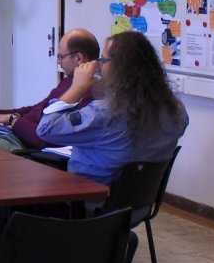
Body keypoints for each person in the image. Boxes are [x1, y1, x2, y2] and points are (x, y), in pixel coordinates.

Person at [36, 30, 188, 186]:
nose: (99, 66)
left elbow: (46, 128)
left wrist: (77, 88)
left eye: (102, 60)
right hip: (140, 199)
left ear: (119, 68)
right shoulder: (176, 110)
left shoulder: (104, 114)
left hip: (88, 196)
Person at [0, 28, 100, 151]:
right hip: (13, 130)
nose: (58, 62)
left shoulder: (87, 94)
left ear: (79, 58)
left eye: (61, 57)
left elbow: (44, 137)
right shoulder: (68, 81)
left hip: (23, 143)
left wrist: (12, 120)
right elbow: (34, 109)